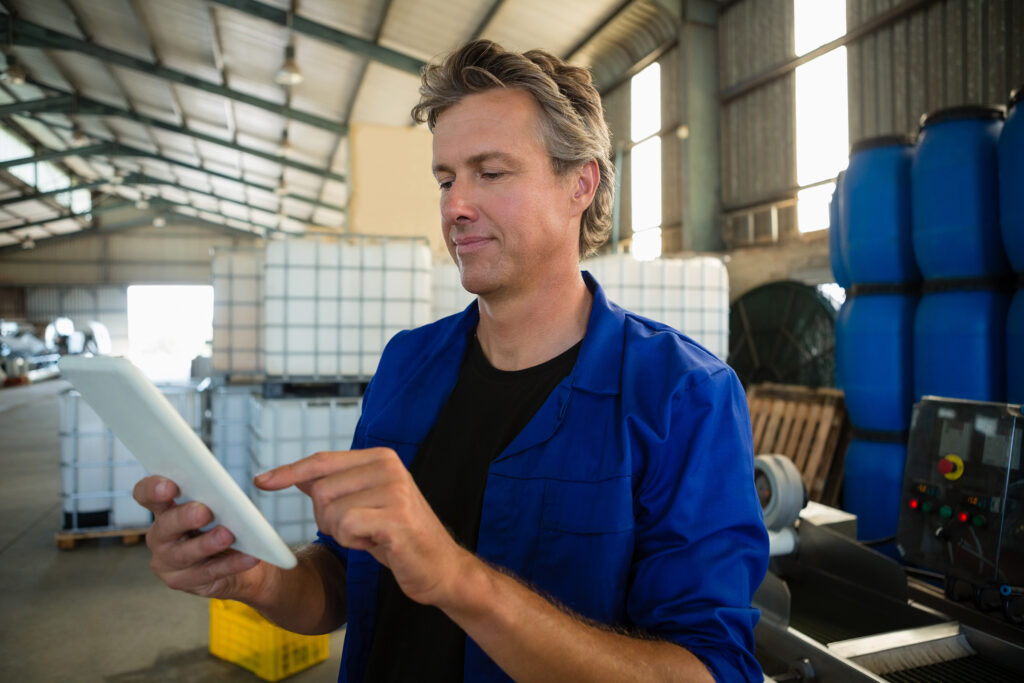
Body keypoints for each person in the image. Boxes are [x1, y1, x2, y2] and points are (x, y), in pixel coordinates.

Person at [134, 39, 769, 682]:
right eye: (446, 179)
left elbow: (706, 670)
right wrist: (258, 576)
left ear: (581, 182)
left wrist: (456, 577)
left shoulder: (682, 397)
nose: (455, 206)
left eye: (490, 173)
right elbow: (344, 581)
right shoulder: (409, 363)